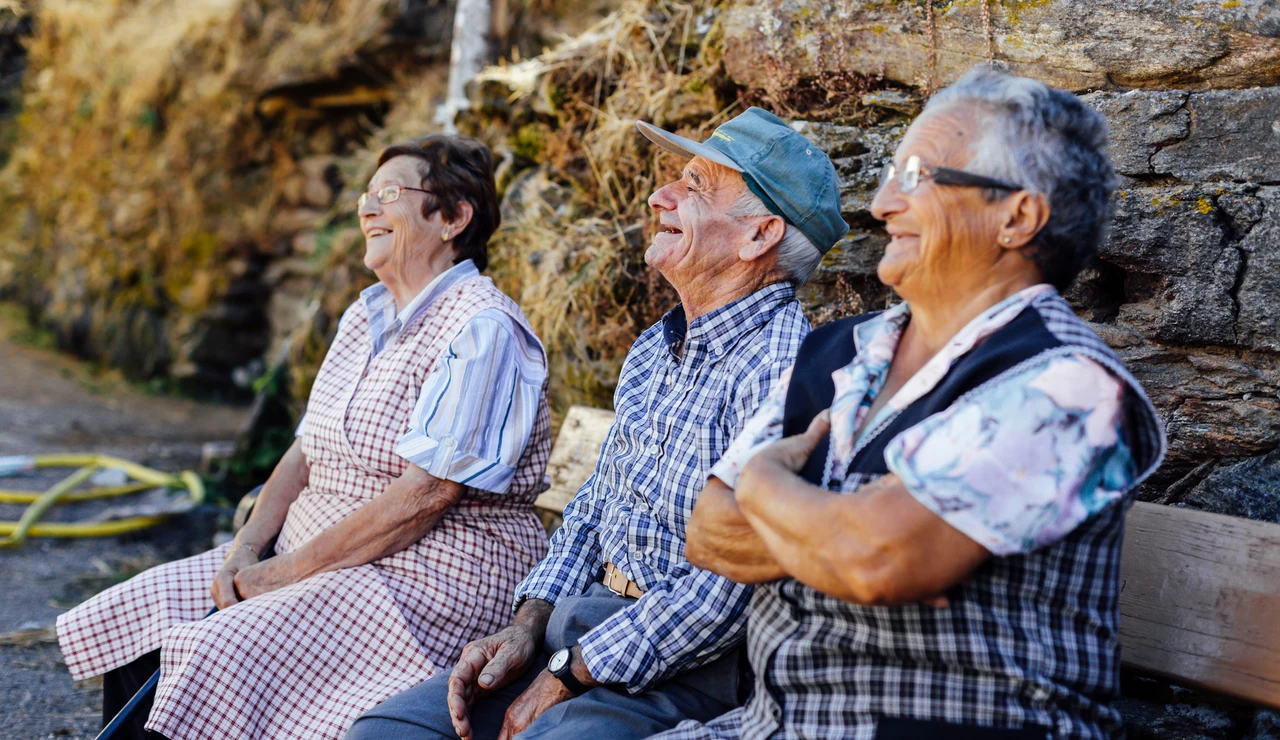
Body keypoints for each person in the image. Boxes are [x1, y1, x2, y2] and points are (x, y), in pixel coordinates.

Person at [665, 66, 1166, 739]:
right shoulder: (842, 352)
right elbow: (709, 532)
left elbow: (880, 559)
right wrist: (842, 535)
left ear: (1016, 216)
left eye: (914, 178)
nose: (879, 205)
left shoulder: (1069, 383)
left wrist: (763, 481)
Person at [347, 107, 848, 740]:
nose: (658, 195)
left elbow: (725, 591)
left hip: (679, 672)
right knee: (387, 732)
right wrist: (526, 628)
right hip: (577, 635)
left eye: (694, 187)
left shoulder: (782, 369)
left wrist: (571, 672)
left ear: (760, 236)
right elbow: (592, 509)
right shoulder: (655, 348)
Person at [56, 134, 553, 739]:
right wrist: (246, 548)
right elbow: (304, 453)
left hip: (424, 582)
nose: (367, 208)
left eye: (390, 194)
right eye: (366, 195)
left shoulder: (482, 328)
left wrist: (282, 573)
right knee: (143, 612)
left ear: (452, 217)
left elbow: (425, 497)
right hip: (320, 556)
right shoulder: (364, 315)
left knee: (213, 653)